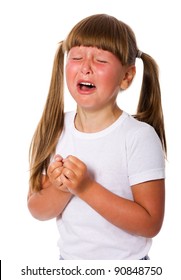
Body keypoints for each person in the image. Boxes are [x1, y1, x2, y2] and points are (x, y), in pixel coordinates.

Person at [27, 14, 166, 260]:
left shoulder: (138, 137)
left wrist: (86, 187)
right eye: (77, 57)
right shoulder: (54, 128)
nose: (86, 67)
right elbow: (37, 209)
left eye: (101, 60)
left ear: (127, 76)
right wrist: (62, 189)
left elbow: (150, 223)